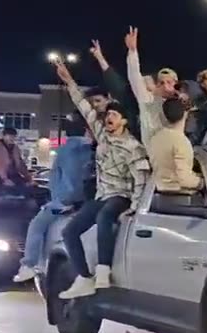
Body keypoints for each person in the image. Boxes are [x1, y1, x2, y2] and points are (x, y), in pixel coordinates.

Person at [54, 58, 151, 298]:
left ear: (124, 121)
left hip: (122, 195)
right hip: (102, 193)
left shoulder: (133, 147)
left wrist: (136, 207)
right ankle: (84, 277)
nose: (109, 118)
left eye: (114, 115)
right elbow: (85, 107)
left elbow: (140, 178)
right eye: (108, 115)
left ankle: (103, 271)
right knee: (69, 231)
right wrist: (69, 80)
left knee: (105, 214)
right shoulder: (102, 136)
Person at [14, 114, 95, 282]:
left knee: (37, 224)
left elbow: (63, 178)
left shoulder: (66, 150)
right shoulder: (93, 148)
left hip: (66, 201)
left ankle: (29, 264)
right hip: (89, 200)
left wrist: (62, 200)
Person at [120, 27, 181, 143]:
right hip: (153, 152)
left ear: (176, 84)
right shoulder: (148, 100)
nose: (164, 85)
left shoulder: (180, 102)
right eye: (161, 82)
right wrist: (132, 52)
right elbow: (134, 77)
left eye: (169, 82)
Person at [149, 98, 201, 193]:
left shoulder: (155, 139)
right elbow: (184, 180)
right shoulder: (181, 142)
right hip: (180, 197)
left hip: (158, 194)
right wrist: (201, 182)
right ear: (185, 114)